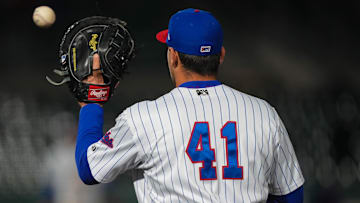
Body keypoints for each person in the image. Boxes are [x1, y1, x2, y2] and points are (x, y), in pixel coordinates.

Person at [75, 8, 305, 203]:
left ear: (173, 56)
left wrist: (91, 101)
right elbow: (291, 194)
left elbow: (89, 168)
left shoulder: (144, 118)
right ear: (221, 55)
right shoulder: (264, 114)